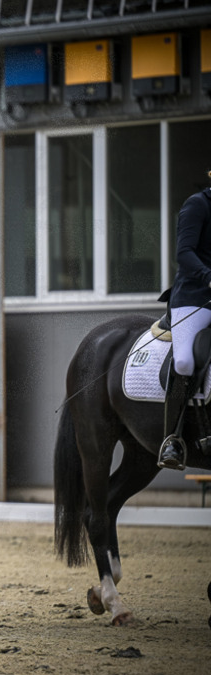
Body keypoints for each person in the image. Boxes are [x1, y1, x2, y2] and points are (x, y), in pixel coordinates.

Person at [158, 170, 211, 470]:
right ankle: (172, 440)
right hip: (194, 297)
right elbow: (185, 252)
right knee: (185, 362)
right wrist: (208, 277)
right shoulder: (197, 205)